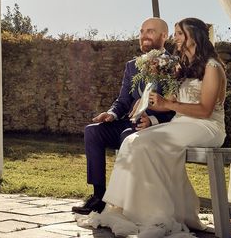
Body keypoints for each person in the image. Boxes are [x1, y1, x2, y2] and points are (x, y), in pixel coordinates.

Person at [86, 17, 227, 236]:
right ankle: (127, 208)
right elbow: (165, 102)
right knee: (133, 141)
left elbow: (205, 110)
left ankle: (158, 213)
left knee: (144, 141)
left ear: (194, 36)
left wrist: (166, 104)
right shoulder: (182, 67)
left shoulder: (212, 67)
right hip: (180, 124)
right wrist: (146, 101)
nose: (176, 38)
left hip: (206, 126)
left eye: (180, 33)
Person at [72, 17, 175, 215]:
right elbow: (123, 101)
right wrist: (111, 114)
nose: (144, 35)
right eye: (142, 31)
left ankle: (125, 199)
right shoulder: (132, 66)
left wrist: (153, 120)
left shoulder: (175, 65)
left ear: (165, 36)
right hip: (129, 121)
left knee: (127, 135)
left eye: (150, 31)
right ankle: (99, 196)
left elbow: (176, 106)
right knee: (93, 132)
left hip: (155, 127)